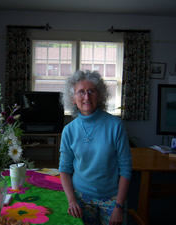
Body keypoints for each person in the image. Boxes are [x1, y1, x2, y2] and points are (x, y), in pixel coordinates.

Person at [59, 70, 132, 225]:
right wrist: (72, 201)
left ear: (99, 96)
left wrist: (118, 206)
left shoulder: (115, 126)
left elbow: (126, 169)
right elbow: (64, 170)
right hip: (81, 198)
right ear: (72, 98)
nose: (86, 97)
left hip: (112, 198)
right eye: (81, 92)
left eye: (91, 91)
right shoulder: (69, 131)